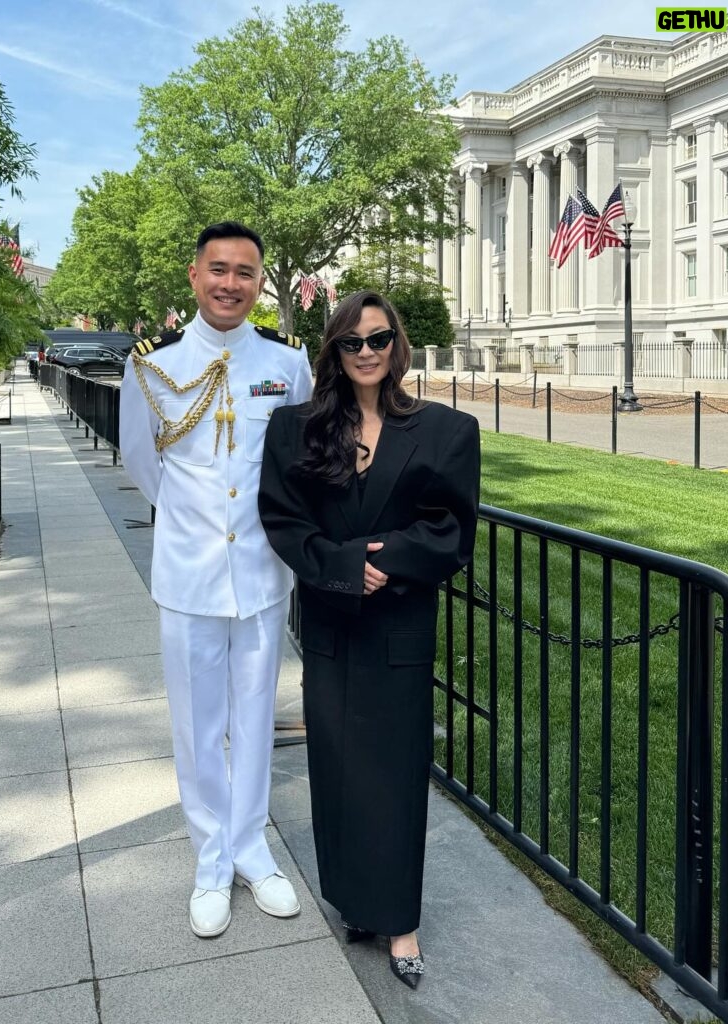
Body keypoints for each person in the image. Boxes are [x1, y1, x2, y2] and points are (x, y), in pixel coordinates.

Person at [257, 290, 480, 988]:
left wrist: (391, 559)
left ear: (397, 346)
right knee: (338, 770)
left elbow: (452, 528)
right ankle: (355, 902)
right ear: (333, 350)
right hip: (331, 618)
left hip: (399, 623)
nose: (365, 354)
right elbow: (284, 520)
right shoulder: (295, 429)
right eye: (351, 343)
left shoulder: (446, 430)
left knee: (393, 774)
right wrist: (346, 569)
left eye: (377, 340)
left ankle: (400, 921)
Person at [119, 222, 313, 938]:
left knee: (254, 716)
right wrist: (193, 525)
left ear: (262, 283)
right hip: (190, 573)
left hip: (262, 569)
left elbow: (298, 460)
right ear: (195, 276)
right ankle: (210, 860)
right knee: (198, 725)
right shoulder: (154, 367)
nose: (232, 283)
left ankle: (252, 850)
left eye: (246, 272)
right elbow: (144, 465)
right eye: (219, 269)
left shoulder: (287, 364)